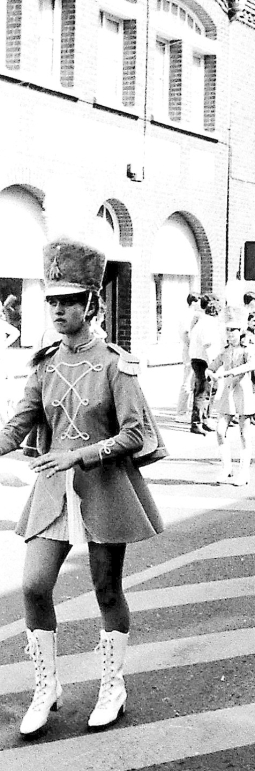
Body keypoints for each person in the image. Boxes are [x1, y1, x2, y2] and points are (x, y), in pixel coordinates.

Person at [0, 234, 165, 738]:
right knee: (33, 585)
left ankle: (112, 685)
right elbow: (19, 423)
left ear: (91, 303)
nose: (58, 309)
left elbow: (135, 433)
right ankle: (47, 687)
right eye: (52, 300)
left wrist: (78, 454)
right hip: (54, 488)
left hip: (105, 484)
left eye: (69, 300)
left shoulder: (117, 363)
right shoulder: (46, 363)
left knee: (105, 587)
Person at [209, 324, 255, 485]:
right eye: (228, 331)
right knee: (219, 430)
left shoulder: (247, 349)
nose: (230, 334)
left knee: (244, 433)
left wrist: (231, 372)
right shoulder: (224, 351)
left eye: (233, 331)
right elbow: (211, 367)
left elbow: (252, 365)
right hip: (228, 392)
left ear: (240, 332)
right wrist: (211, 374)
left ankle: (244, 472)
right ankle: (226, 467)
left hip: (244, 391)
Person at [188, 294, 223, 435]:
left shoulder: (202, 322)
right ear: (216, 313)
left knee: (209, 391)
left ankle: (205, 419)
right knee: (202, 392)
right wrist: (212, 367)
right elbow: (208, 345)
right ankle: (196, 423)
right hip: (204, 361)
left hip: (199, 359)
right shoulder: (208, 324)